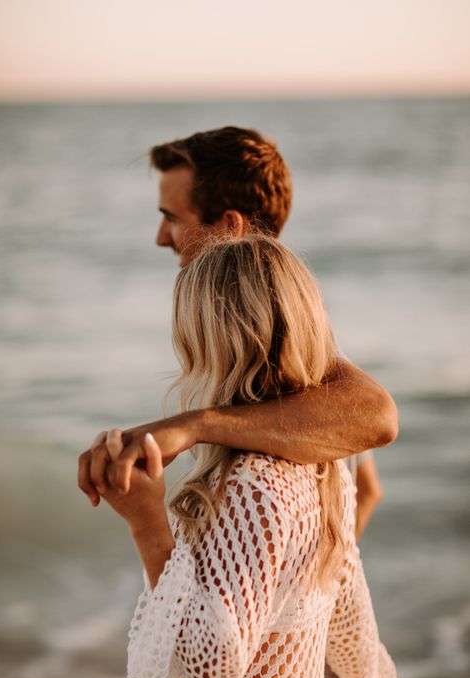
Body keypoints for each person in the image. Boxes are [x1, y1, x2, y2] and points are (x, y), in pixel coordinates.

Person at [98, 236, 399, 678]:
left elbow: (208, 669)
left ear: (208, 344)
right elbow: (351, 639)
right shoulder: (323, 465)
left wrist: (147, 523)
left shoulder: (254, 487)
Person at [79, 127, 394, 535]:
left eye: (172, 219)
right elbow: (367, 490)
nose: (161, 238)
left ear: (230, 227)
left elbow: (379, 416)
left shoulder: (293, 353)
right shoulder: (299, 338)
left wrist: (194, 426)